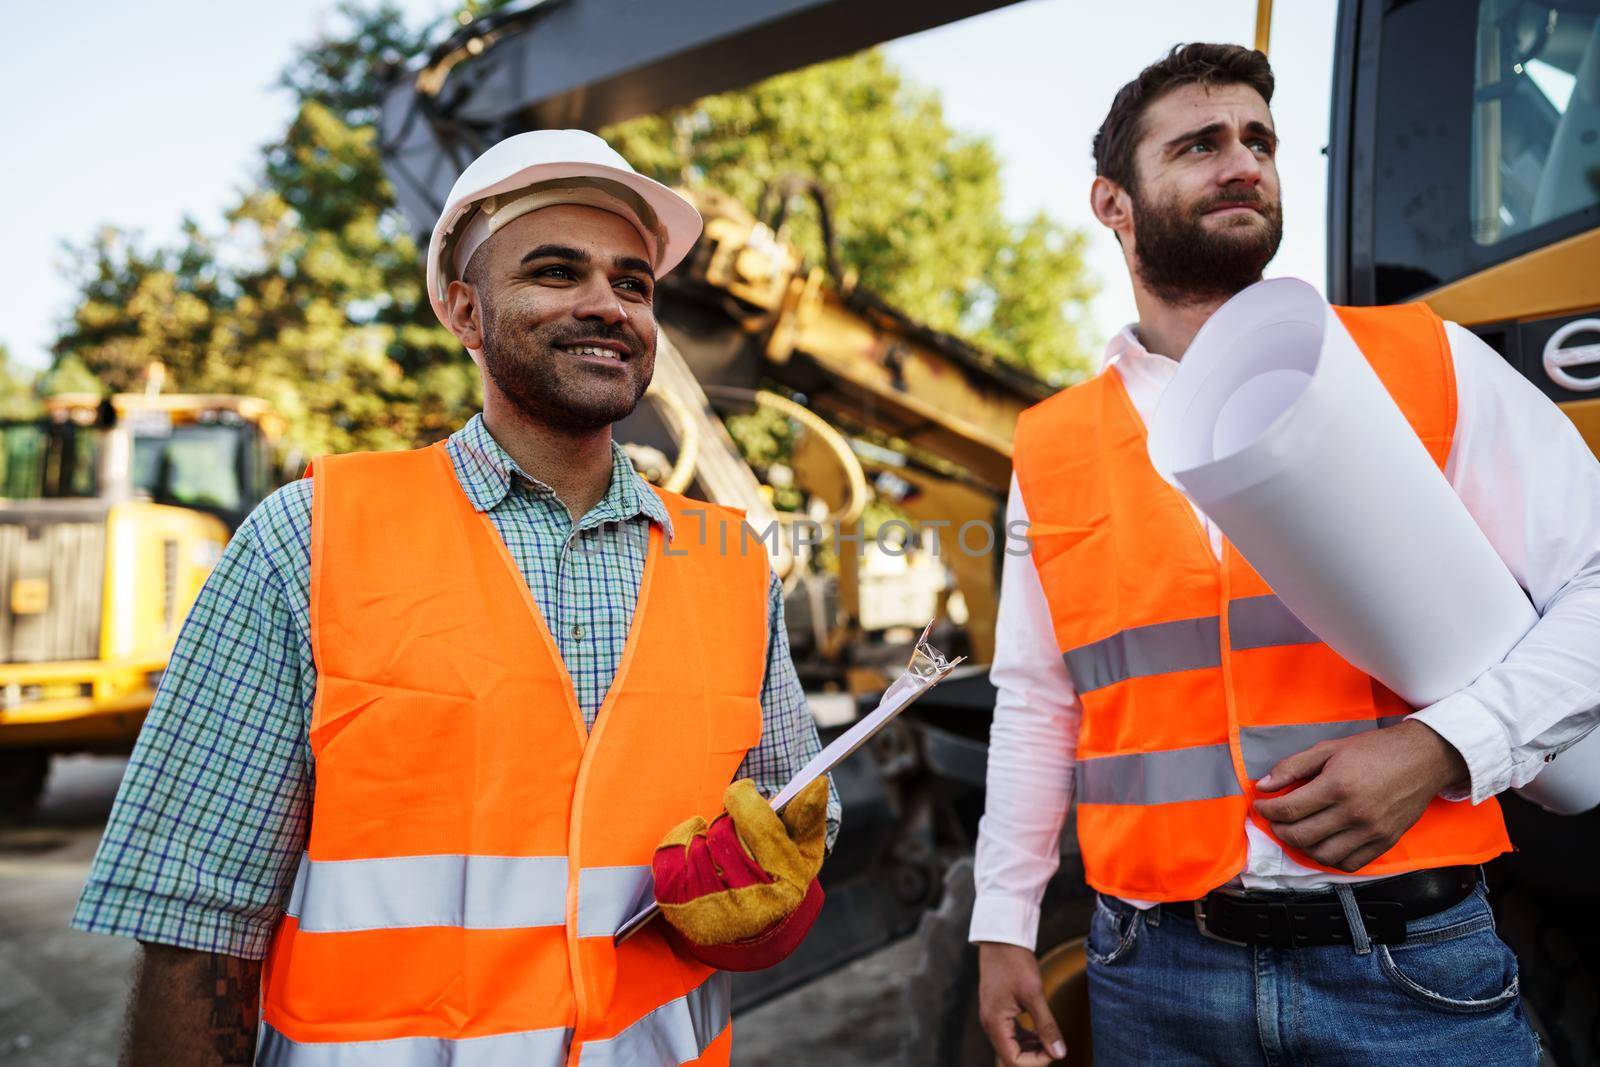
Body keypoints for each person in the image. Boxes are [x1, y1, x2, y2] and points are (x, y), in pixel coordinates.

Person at [72, 130, 839, 1067]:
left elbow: (788, 826)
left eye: (633, 284)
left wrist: (767, 881)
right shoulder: (310, 539)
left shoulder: (729, 562)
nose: (607, 304)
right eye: (557, 272)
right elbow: (197, 922)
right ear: (466, 313)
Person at [972, 43, 1600, 1066]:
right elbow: (1040, 696)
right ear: (1112, 203)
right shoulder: (1049, 442)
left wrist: (1443, 745)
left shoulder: (1421, 359)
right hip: (1153, 971)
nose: (1243, 162)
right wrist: (1001, 918)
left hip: (1406, 967)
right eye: (1199, 143)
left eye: (1259, 139)